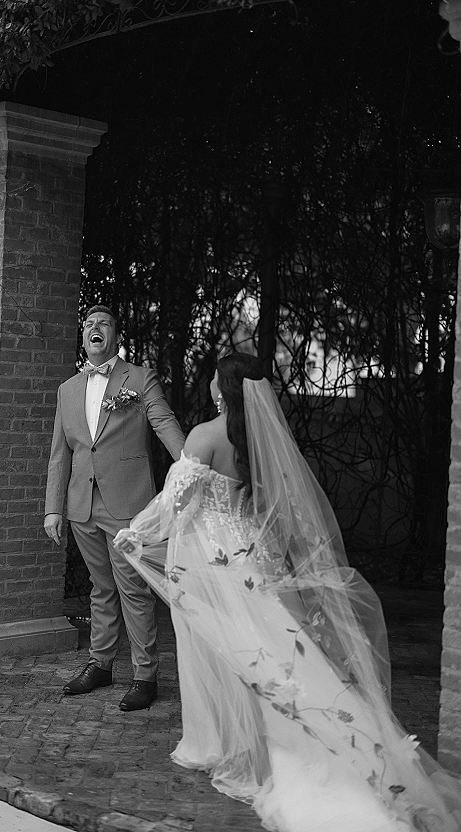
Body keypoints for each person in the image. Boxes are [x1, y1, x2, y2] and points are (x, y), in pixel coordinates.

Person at [114, 352, 461, 830]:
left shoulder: (204, 436)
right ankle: (306, 737)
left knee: (218, 652)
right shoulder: (259, 442)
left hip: (207, 562)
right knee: (267, 651)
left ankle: (221, 745)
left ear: (222, 388)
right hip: (250, 556)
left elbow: (176, 504)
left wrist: (136, 532)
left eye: (214, 376)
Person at [44, 305, 185, 711]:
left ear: (116, 336)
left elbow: (163, 422)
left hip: (128, 503)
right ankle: (101, 664)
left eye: (103, 323)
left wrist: (191, 464)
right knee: (101, 587)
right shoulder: (67, 389)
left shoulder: (138, 379)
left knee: (133, 589)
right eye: (88, 324)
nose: (94, 327)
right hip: (81, 506)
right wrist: (54, 508)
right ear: (83, 336)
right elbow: (60, 454)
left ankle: (145, 675)